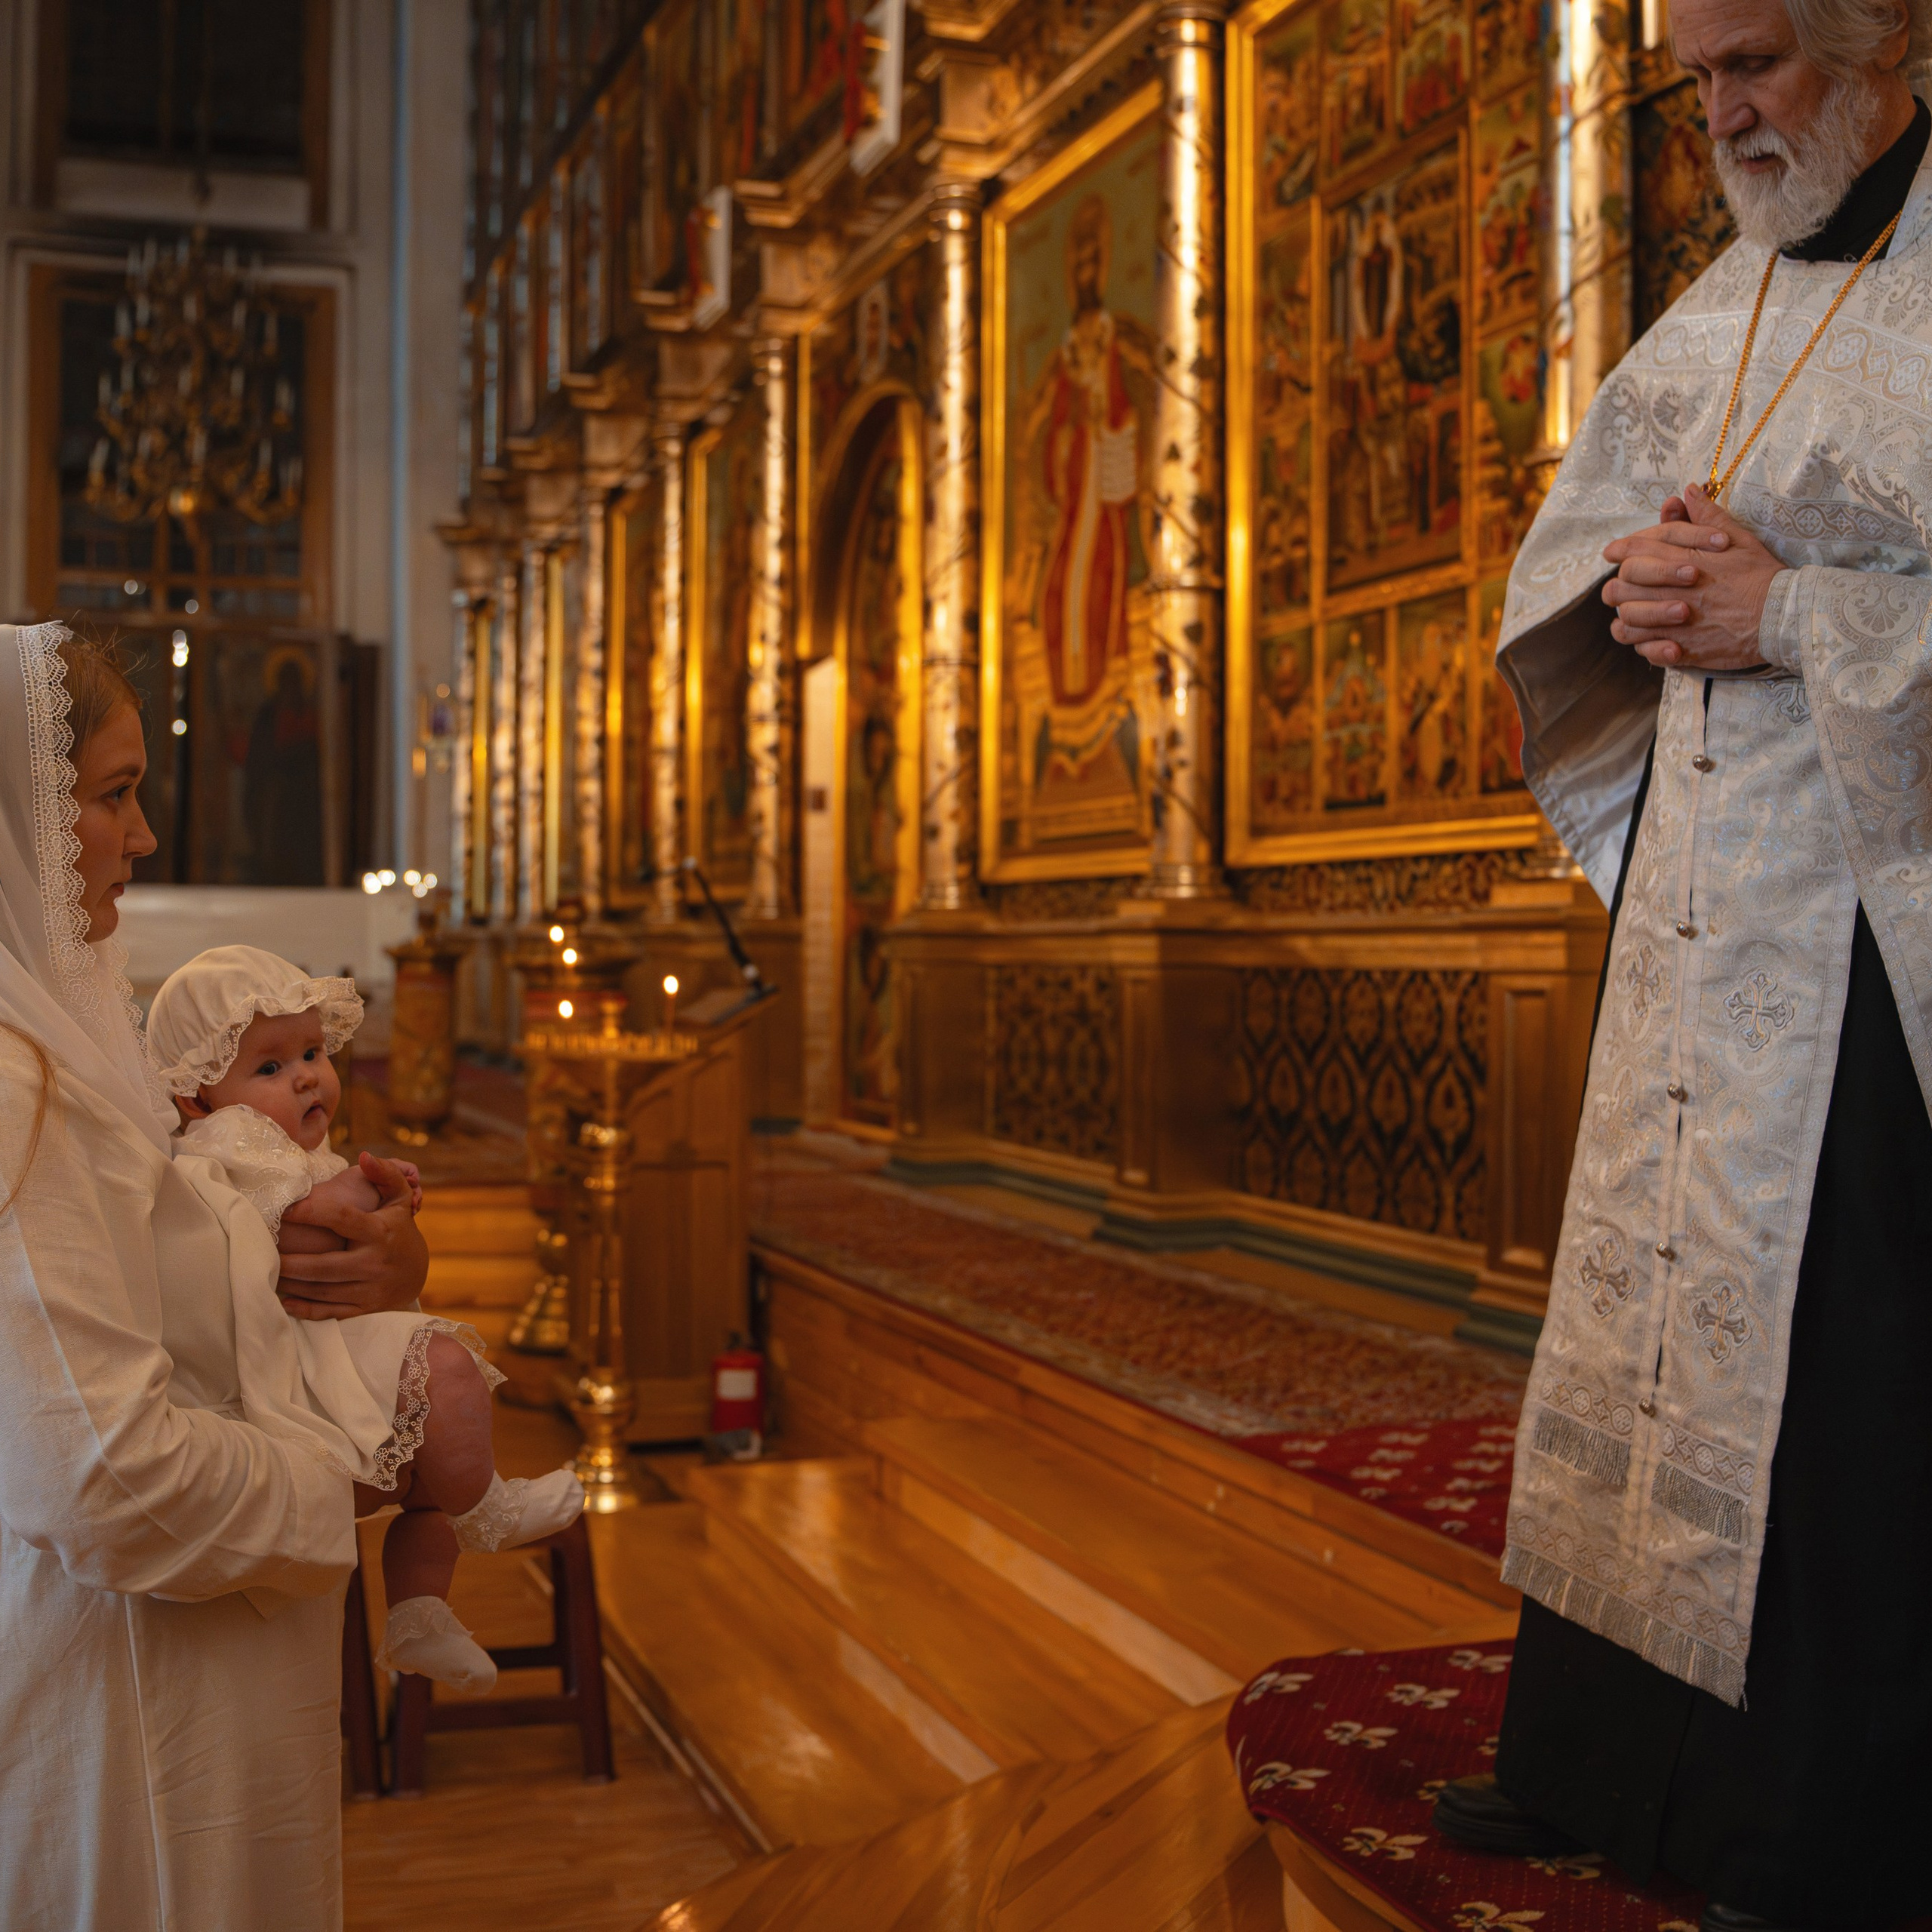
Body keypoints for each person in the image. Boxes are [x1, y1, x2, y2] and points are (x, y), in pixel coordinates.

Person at [1432, 3, 1932, 1928]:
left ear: (1881, 42)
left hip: (1869, 947)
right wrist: (1625, 602)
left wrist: (1789, 609)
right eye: (1696, 76)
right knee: (1644, 1323)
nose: (1719, 112)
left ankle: (1810, 1828)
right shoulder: (1712, 303)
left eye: (1756, 65)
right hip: (1698, 938)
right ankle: (1593, 1753)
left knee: (1830, 1365)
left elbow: (1796, 602)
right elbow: (1572, 571)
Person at [0, 623, 429, 1929]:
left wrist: (382, 1261)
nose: (143, 836)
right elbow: (106, 1480)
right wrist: (359, 1469)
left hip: (202, 1655)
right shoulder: (17, 1075)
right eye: (114, 796)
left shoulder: (75, 1028)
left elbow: (224, 1239)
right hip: (127, 1685)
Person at [146, 946, 585, 1693]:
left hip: (330, 1343)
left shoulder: (274, 1138)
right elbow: (304, 1228)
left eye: (313, 1052)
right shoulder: (226, 1144)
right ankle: (489, 1510)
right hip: (299, 1357)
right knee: (444, 1372)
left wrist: (377, 1195)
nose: (309, 1075)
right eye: (271, 1068)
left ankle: (420, 1617)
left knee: (430, 1473)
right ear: (197, 1097)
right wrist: (365, 1193)